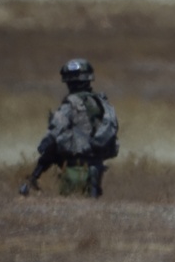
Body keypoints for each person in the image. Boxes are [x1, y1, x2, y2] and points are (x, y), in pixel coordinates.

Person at [20, 58, 119, 198]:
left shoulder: (71, 104)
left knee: (53, 149)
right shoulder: (100, 102)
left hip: (75, 162)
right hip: (97, 161)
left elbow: (55, 131)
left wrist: (46, 146)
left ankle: (31, 182)